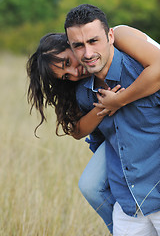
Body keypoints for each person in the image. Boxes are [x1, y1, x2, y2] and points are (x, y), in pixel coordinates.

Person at [27, 25, 160, 235]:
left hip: (149, 112)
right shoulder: (84, 82)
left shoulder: (118, 35)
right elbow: (77, 130)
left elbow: (158, 68)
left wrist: (119, 100)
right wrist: (105, 107)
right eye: (65, 76)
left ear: (72, 43)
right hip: (119, 128)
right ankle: (126, 225)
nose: (73, 73)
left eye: (68, 63)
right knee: (90, 185)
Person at [64, 4, 160, 236]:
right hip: (129, 204)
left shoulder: (139, 65)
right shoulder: (84, 93)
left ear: (110, 36)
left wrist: (119, 100)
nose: (87, 53)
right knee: (89, 185)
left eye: (94, 41)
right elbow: (93, 137)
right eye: (78, 45)